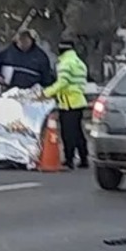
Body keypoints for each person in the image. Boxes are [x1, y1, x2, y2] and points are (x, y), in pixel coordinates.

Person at [41, 40, 89, 170]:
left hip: (68, 103)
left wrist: (46, 93)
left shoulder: (65, 63)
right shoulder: (79, 62)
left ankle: (69, 160)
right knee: (78, 132)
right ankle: (84, 158)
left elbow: (62, 83)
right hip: (78, 101)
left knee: (68, 134)